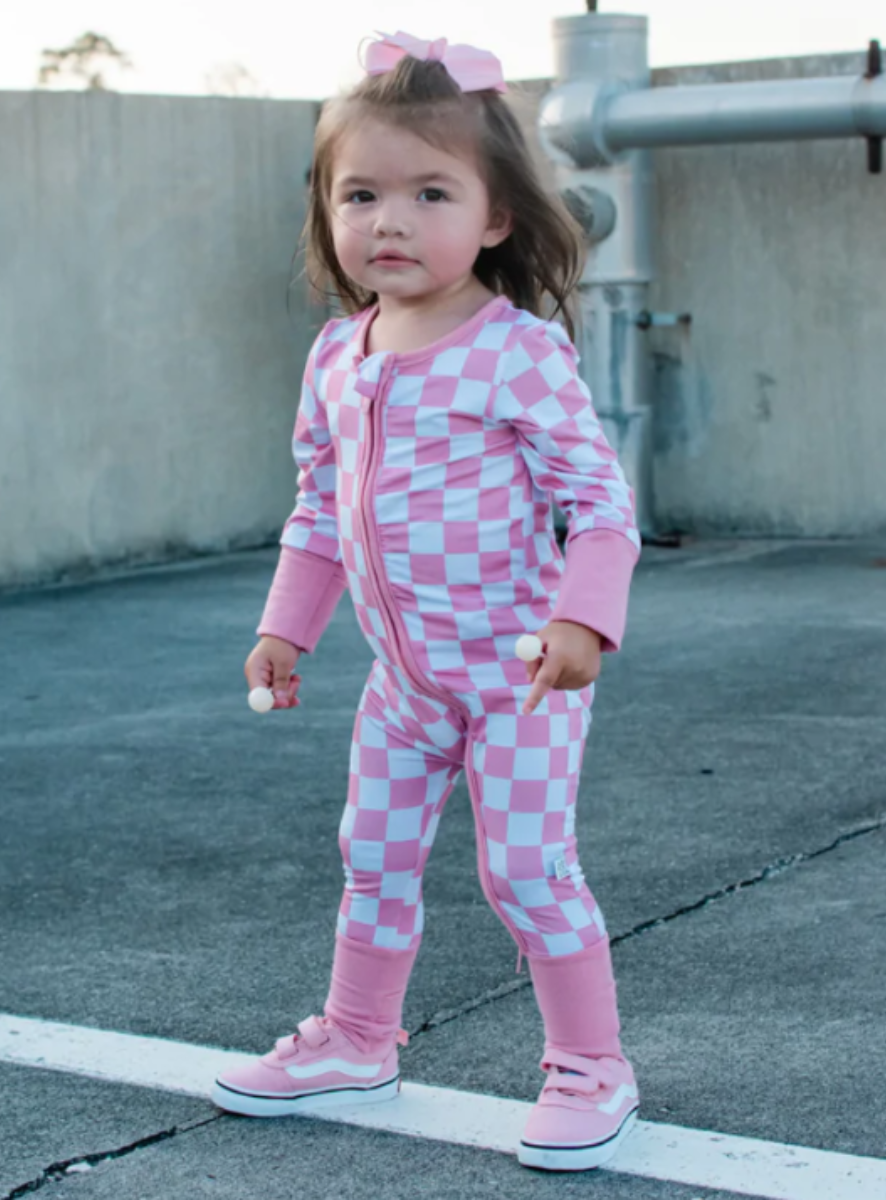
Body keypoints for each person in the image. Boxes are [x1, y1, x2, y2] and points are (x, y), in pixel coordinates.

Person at [212, 30, 642, 1173]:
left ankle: (591, 1067)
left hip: (519, 679)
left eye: (428, 192)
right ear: (326, 210)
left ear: (495, 218)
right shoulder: (335, 358)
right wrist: (283, 627)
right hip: (403, 689)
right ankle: (356, 1036)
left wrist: (580, 621)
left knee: (525, 871)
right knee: (372, 855)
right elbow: (316, 506)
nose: (387, 221)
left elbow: (599, 506)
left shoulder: (516, 354)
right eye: (360, 194)